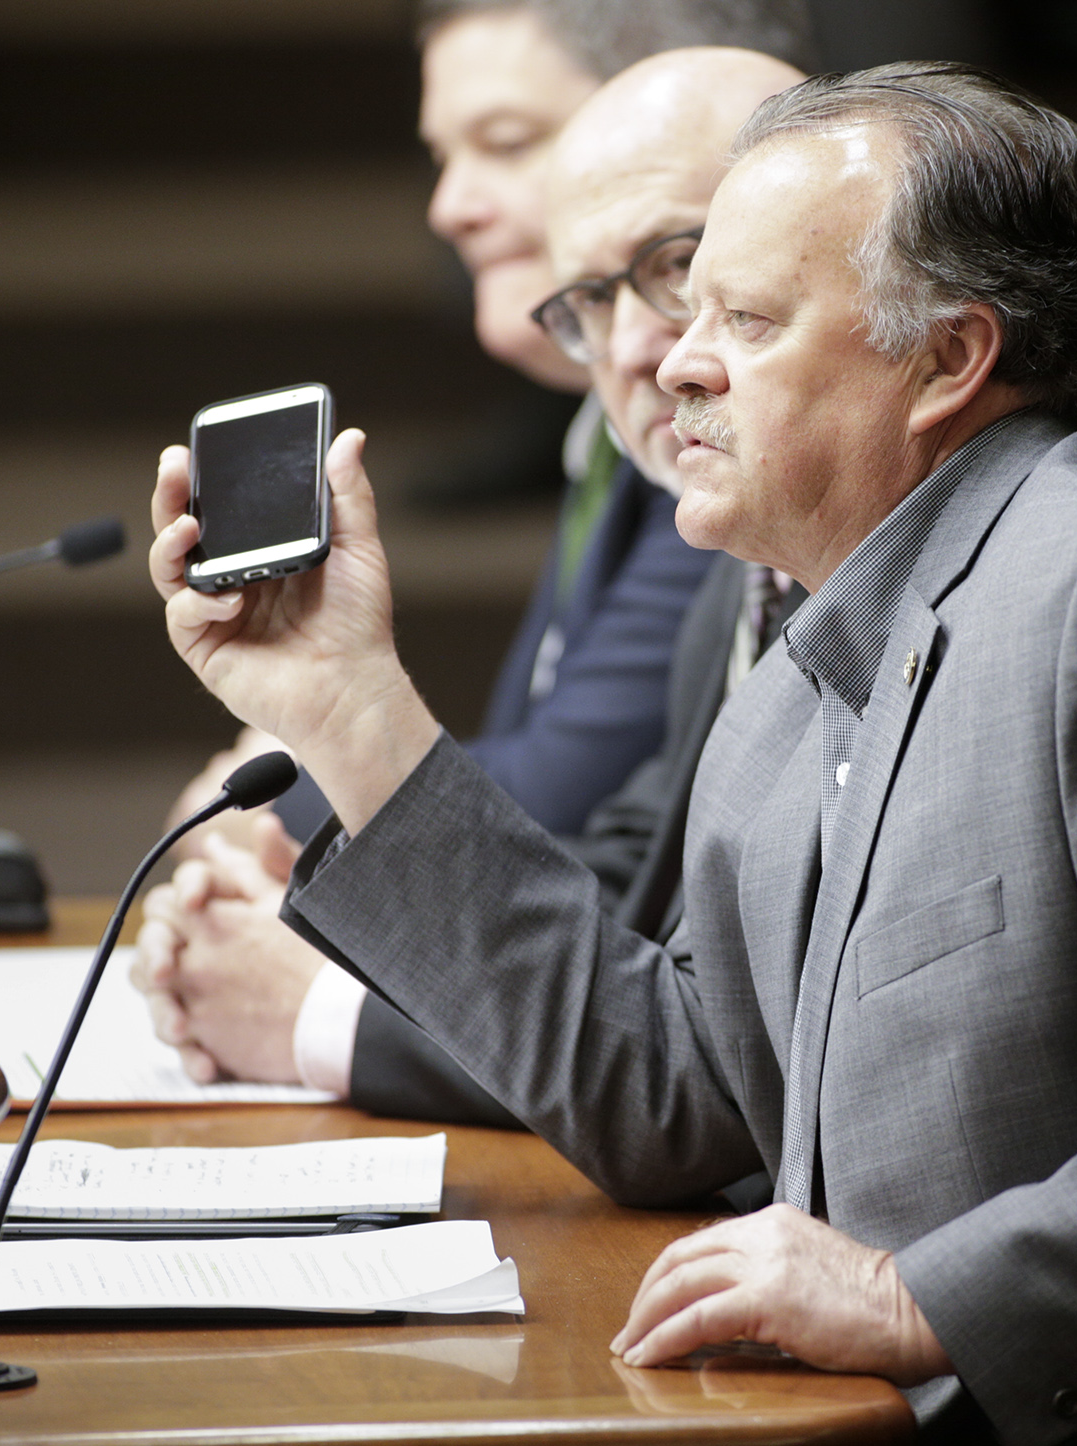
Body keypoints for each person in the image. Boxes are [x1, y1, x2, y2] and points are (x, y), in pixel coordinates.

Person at [147, 62, 1077, 1443]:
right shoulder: (807, 646)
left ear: (946, 359)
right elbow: (677, 1091)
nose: (675, 365)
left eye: (744, 320)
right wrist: (344, 702)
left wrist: (922, 1293)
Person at [131, 3, 812, 1088]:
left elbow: (705, 1046)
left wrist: (314, 1005)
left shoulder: (792, 529)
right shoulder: (705, 519)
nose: (449, 207)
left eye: (504, 142)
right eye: (592, 296)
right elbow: (631, 938)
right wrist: (336, 719)